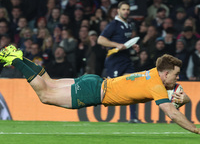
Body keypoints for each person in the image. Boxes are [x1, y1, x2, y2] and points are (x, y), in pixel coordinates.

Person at [0, 45, 200, 134]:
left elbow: (177, 98)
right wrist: (195, 129)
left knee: (50, 83)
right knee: (45, 94)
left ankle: (18, 55)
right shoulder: (157, 85)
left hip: (95, 82)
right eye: (175, 75)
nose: (177, 78)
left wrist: (184, 99)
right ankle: (15, 59)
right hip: (93, 92)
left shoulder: (154, 74)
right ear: (165, 73)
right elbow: (172, 113)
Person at [97, 1, 140, 123]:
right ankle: (90, 102)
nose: (126, 11)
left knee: (132, 87)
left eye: (128, 9)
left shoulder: (128, 25)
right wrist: (117, 45)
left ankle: (133, 117)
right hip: (114, 61)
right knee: (111, 89)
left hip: (125, 60)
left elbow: (124, 42)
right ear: (118, 11)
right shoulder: (113, 25)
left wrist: (132, 45)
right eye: (124, 9)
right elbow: (100, 40)